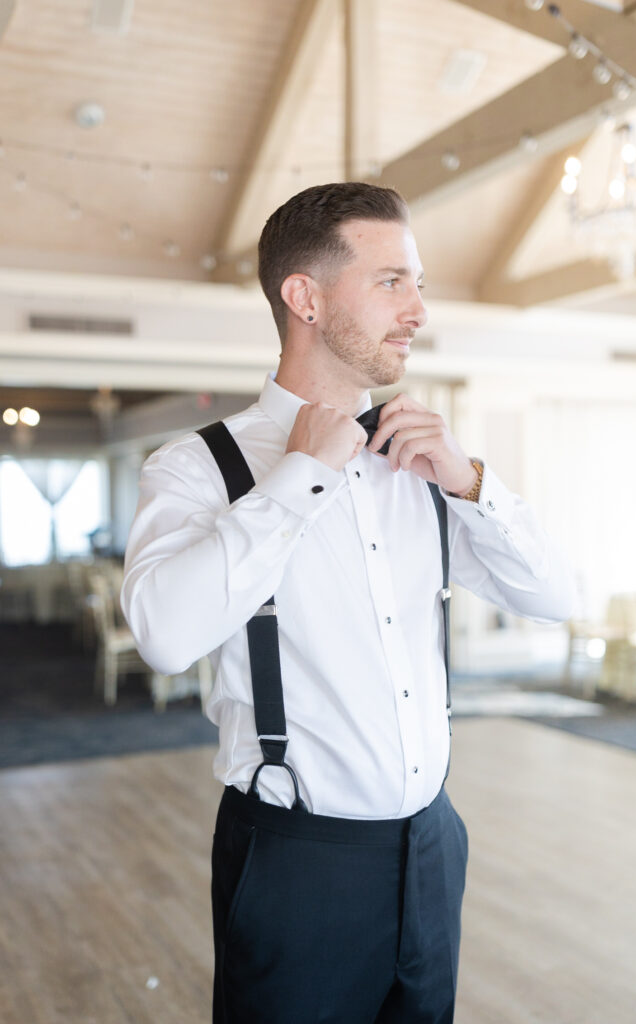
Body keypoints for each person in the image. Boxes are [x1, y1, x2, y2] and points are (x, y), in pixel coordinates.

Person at [121, 181, 574, 1023]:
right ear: (305, 297)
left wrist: (474, 483)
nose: (417, 311)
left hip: (433, 845)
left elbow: (553, 597)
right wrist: (299, 479)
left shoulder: (421, 462)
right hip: (297, 865)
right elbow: (163, 635)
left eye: (419, 284)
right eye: (392, 281)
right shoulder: (196, 468)